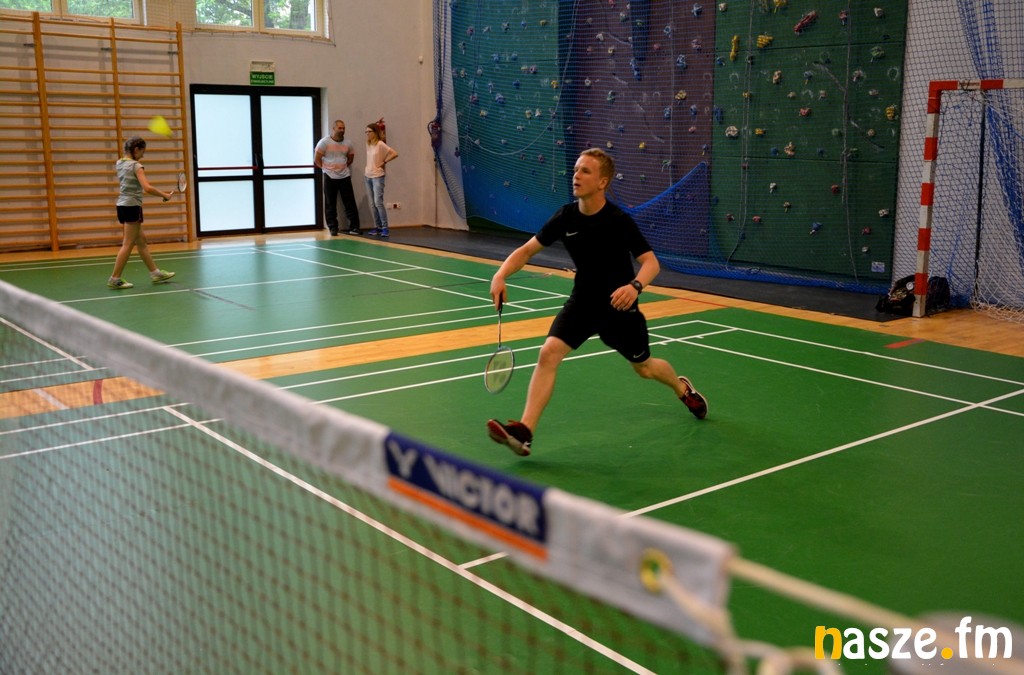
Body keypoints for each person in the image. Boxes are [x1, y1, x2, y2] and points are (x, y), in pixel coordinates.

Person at [486, 148, 708, 456]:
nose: (576, 175)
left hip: (619, 307)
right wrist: (500, 275)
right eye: (576, 169)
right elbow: (526, 251)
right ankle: (525, 432)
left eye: (585, 171)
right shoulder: (565, 217)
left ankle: (682, 389)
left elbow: (651, 263)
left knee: (644, 368)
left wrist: (635, 286)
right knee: (548, 353)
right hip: (583, 302)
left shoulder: (618, 221)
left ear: (602, 182)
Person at [107, 136, 176, 290]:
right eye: (142, 152)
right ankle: (114, 278)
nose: (143, 156)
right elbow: (147, 187)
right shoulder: (136, 166)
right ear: (136, 149)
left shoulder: (119, 163)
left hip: (122, 206)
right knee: (127, 244)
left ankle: (155, 273)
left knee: (142, 242)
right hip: (132, 207)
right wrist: (165, 195)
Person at [314, 119, 361, 235]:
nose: (342, 130)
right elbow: (317, 159)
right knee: (330, 203)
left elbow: (350, 158)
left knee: (350, 202)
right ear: (333, 128)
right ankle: (333, 227)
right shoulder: (324, 142)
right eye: (340, 128)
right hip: (329, 176)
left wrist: (342, 167)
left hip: (345, 176)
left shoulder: (348, 143)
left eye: (343, 128)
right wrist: (325, 169)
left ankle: (354, 227)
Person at [363, 121, 398, 238]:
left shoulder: (380, 144)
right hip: (368, 175)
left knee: (378, 202)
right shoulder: (368, 144)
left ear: (375, 132)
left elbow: (394, 153)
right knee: (372, 204)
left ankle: (385, 227)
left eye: (369, 131)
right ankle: (377, 227)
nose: (367, 134)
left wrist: (384, 162)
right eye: (366, 132)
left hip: (377, 176)